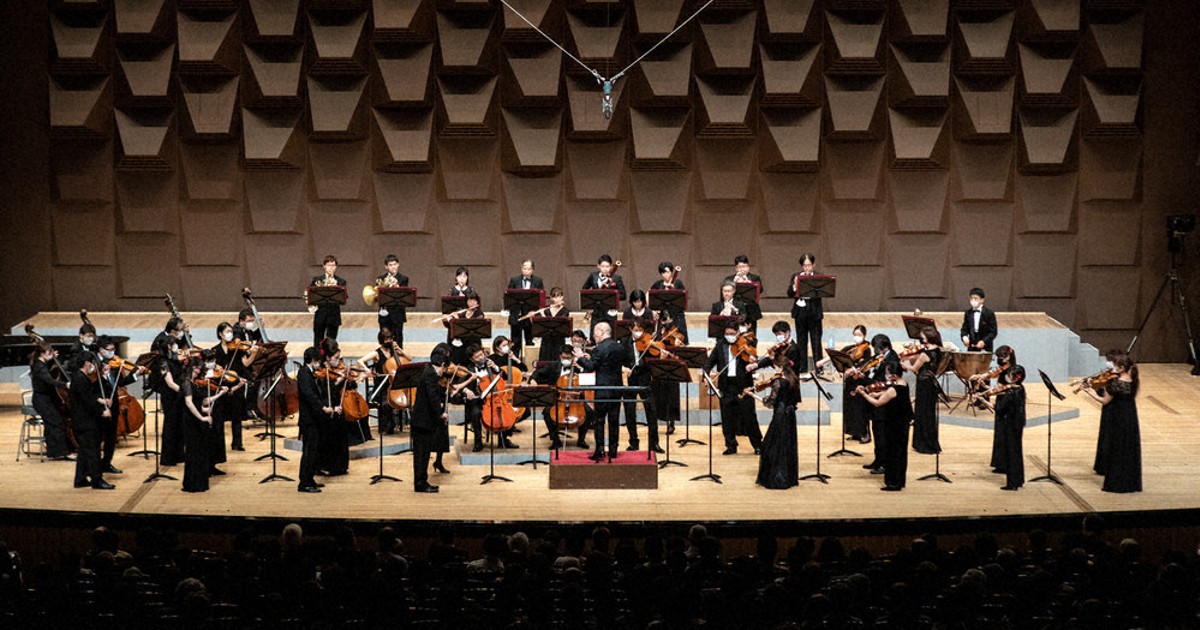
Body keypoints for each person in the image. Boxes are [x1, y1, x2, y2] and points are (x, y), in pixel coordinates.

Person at [1081, 354, 1141, 493]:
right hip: (1129, 418)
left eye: (1115, 366)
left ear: (1121, 368)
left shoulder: (1117, 384)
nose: (1113, 368)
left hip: (1118, 419)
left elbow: (1104, 401)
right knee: (1127, 448)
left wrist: (1088, 391)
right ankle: (1130, 481)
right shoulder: (1132, 380)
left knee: (1117, 448)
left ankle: (1117, 481)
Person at [704, 322, 763, 456]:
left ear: (738, 332)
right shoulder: (720, 345)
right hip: (727, 385)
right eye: (727, 334)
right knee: (727, 418)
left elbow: (754, 360)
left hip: (743, 386)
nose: (729, 336)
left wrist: (753, 360)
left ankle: (758, 445)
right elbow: (710, 361)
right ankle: (731, 445)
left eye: (732, 334)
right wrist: (706, 373)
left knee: (749, 417)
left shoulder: (746, 344)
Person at [856, 362, 912, 491]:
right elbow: (885, 394)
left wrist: (864, 394)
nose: (885, 376)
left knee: (892, 452)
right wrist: (876, 393)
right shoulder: (903, 384)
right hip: (902, 423)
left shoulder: (893, 390)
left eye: (887, 373)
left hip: (894, 423)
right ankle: (899, 481)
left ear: (892, 375)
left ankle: (892, 482)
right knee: (900, 452)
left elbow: (877, 403)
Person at [753, 344, 801, 490]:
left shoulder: (778, 381)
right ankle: (789, 477)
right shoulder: (793, 378)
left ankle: (776, 478)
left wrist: (754, 395)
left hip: (780, 415)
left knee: (771, 446)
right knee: (787, 445)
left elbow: (770, 403)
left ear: (778, 367)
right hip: (790, 415)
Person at [527, 344, 593, 450]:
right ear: (560, 356)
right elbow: (537, 373)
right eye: (564, 358)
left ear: (573, 357)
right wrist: (533, 380)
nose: (566, 360)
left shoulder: (579, 368)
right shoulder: (553, 366)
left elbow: (589, 380)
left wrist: (581, 369)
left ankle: (581, 439)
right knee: (547, 412)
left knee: (589, 411)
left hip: (576, 400)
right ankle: (555, 440)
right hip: (557, 398)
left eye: (568, 358)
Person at [95, 335, 143, 475]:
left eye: (113, 349)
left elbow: (119, 383)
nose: (112, 352)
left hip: (114, 403)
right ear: (101, 350)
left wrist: (134, 375)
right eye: (109, 349)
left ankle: (107, 463)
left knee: (111, 437)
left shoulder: (114, 363)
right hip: (99, 405)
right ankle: (95, 467)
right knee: (98, 438)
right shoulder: (93, 362)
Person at [582, 322, 629, 460]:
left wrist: (579, 357)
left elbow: (591, 367)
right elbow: (609, 362)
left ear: (602, 332)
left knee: (599, 421)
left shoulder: (599, 348)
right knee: (614, 421)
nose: (593, 335)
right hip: (616, 389)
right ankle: (613, 450)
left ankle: (600, 450)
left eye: (595, 332)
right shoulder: (619, 347)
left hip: (602, 390)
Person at [70, 353, 114, 490]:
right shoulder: (80, 379)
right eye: (93, 364)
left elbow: (89, 395)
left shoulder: (81, 377)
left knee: (84, 451)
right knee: (94, 451)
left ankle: (80, 479)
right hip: (85, 422)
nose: (95, 367)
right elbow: (87, 402)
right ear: (86, 363)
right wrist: (102, 412)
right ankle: (97, 480)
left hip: (81, 421)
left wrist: (102, 400)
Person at [411, 347, 450, 493]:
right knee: (421, 455)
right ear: (442, 365)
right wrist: (441, 413)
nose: (443, 373)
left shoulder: (427, 370)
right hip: (423, 421)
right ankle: (420, 483)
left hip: (422, 420)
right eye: (444, 370)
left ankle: (422, 481)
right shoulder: (431, 375)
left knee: (423, 454)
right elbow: (433, 397)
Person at [621, 318, 663, 453]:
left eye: (641, 330)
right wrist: (624, 368)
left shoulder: (648, 341)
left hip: (645, 377)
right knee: (629, 411)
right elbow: (619, 360)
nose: (639, 333)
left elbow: (655, 358)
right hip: (630, 378)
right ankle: (633, 442)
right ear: (630, 330)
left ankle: (654, 443)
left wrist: (654, 348)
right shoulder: (624, 342)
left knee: (651, 411)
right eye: (636, 330)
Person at [861, 334, 900, 474]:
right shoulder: (881, 357)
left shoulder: (892, 358)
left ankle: (884, 463)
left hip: (885, 402)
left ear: (885, 347)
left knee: (882, 434)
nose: (875, 351)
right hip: (877, 396)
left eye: (877, 348)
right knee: (877, 431)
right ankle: (878, 460)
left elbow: (890, 381)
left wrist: (874, 390)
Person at [359, 329, 410, 435]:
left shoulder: (394, 350)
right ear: (381, 340)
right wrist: (366, 369)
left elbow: (409, 359)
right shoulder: (376, 353)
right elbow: (360, 361)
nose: (389, 341)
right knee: (386, 404)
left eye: (390, 338)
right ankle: (385, 427)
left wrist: (399, 350)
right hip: (381, 388)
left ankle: (401, 423)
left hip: (394, 386)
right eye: (386, 339)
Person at [902, 327, 943, 456]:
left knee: (922, 412)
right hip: (931, 383)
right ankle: (927, 441)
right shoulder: (937, 350)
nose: (921, 338)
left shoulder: (925, 354)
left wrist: (904, 364)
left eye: (922, 337)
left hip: (924, 384)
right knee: (928, 413)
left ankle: (924, 443)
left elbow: (914, 368)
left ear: (927, 337)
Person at [180, 355, 218, 493]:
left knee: (200, 451)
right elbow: (189, 404)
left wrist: (205, 410)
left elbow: (199, 403)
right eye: (198, 368)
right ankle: (192, 484)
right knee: (193, 452)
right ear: (193, 368)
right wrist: (201, 418)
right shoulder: (186, 383)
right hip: (191, 422)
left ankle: (199, 482)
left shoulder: (193, 382)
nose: (200, 371)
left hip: (196, 419)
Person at [29, 341, 72, 461]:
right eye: (49, 351)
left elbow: (51, 373)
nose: (51, 353)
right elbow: (49, 380)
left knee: (51, 424)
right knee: (56, 422)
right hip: (41, 400)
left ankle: (53, 452)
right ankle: (60, 452)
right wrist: (65, 384)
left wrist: (53, 360)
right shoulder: (39, 366)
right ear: (42, 353)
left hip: (46, 398)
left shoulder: (42, 364)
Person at [314, 338, 350, 477]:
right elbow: (324, 393)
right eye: (336, 358)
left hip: (337, 407)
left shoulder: (335, 370)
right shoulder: (321, 372)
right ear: (327, 358)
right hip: (326, 410)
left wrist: (344, 380)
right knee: (328, 436)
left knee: (340, 434)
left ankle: (340, 466)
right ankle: (326, 465)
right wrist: (338, 381)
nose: (339, 360)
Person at [150, 336, 186, 467]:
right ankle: (168, 457)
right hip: (170, 397)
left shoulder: (174, 360)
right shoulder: (162, 362)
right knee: (170, 426)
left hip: (178, 396)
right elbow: (170, 383)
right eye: (175, 344)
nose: (177, 346)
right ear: (169, 347)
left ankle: (179, 455)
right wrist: (184, 392)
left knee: (179, 425)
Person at [786, 253, 824, 373]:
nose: (807, 268)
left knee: (816, 341)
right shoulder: (796, 276)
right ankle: (802, 368)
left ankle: (819, 367)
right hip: (800, 312)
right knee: (801, 341)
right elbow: (789, 293)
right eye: (804, 265)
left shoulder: (819, 276)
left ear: (813, 264)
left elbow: (823, 292)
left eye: (809, 265)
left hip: (814, 312)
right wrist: (794, 285)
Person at [991, 365, 1027, 491]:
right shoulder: (1020, 389)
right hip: (1018, 424)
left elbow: (1000, 409)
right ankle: (1019, 479)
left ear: (1014, 378)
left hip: (1010, 424)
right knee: (1017, 452)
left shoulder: (1011, 393)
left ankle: (1012, 483)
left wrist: (986, 402)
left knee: (1011, 453)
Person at [295, 346, 326, 493]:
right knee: (308, 451)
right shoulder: (303, 373)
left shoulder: (309, 372)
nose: (320, 364)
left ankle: (310, 478)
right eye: (318, 361)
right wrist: (323, 408)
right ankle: (304, 482)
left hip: (314, 419)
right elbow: (309, 395)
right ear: (313, 360)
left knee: (313, 450)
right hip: (308, 419)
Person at [1091, 348, 1126, 476]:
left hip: (1114, 411)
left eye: (1110, 362)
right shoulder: (1112, 376)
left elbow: (1106, 398)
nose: (1108, 365)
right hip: (1109, 410)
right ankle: (1102, 465)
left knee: (1111, 439)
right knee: (1105, 437)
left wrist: (1094, 389)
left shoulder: (1119, 380)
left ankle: (1109, 466)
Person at [505, 260, 544, 357]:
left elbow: (541, 298)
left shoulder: (538, 281)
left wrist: (535, 312)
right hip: (516, 316)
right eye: (524, 268)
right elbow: (509, 297)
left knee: (529, 342)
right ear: (521, 268)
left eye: (529, 269)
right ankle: (516, 364)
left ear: (532, 270)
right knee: (515, 343)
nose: (526, 271)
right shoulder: (514, 280)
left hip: (529, 316)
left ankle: (529, 365)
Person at [309, 254, 347, 346]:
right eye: (329, 265)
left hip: (334, 315)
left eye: (333, 265)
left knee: (332, 341)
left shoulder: (341, 281)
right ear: (324, 266)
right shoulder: (317, 280)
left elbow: (344, 297)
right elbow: (310, 294)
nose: (331, 268)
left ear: (336, 267)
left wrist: (336, 287)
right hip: (320, 314)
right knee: (318, 339)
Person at [581, 254, 626, 328]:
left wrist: (610, 296)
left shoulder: (616, 278)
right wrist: (589, 304)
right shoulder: (593, 276)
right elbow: (584, 291)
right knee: (594, 335)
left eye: (607, 266)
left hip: (610, 312)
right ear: (598, 266)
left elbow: (623, 295)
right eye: (602, 266)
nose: (605, 269)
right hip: (596, 312)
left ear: (611, 266)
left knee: (610, 335)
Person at [443, 289, 485, 366]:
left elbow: (471, 326)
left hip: (471, 341)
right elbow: (450, 325)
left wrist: (457, 320)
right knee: (451, 332)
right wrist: (449, 319)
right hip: (461, 340)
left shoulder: (479, 313)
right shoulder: (463, 312)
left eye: (474, 300)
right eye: (469, 301)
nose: (472, 303)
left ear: (477, 302)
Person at [376, 254, 410, 346]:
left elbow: (404, 295)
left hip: (397, 314)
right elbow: (377, 296)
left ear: (398, 265)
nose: (393, 267)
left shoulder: (403, 279)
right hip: (384, 313)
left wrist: (396, 287)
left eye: (395, 264)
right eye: (390, 265)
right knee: (384, 338)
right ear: (386, 267)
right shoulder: (380, 278)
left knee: (398, 339)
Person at [532, 287, 570, 363]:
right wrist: (532, 316)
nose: (557, 299)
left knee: (557, 361)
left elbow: (556, 321)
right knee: (545, 362)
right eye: (554, 297)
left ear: (562, 297)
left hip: (558, 340)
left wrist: (543, 315)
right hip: (546, 340)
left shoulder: (565, 311)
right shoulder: (546, 309)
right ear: (551, 298)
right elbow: (540, 325)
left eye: (559, 296)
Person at [960, 287, 998, 352]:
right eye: (971, 298)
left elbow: (993, 332)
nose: (973, 300)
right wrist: (964, 337)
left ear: (982, 300)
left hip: (986, 347)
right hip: (972, 347)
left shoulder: (989, 313)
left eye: (975, 298)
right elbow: (964, 329)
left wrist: (984, 341)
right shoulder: (968, 313)